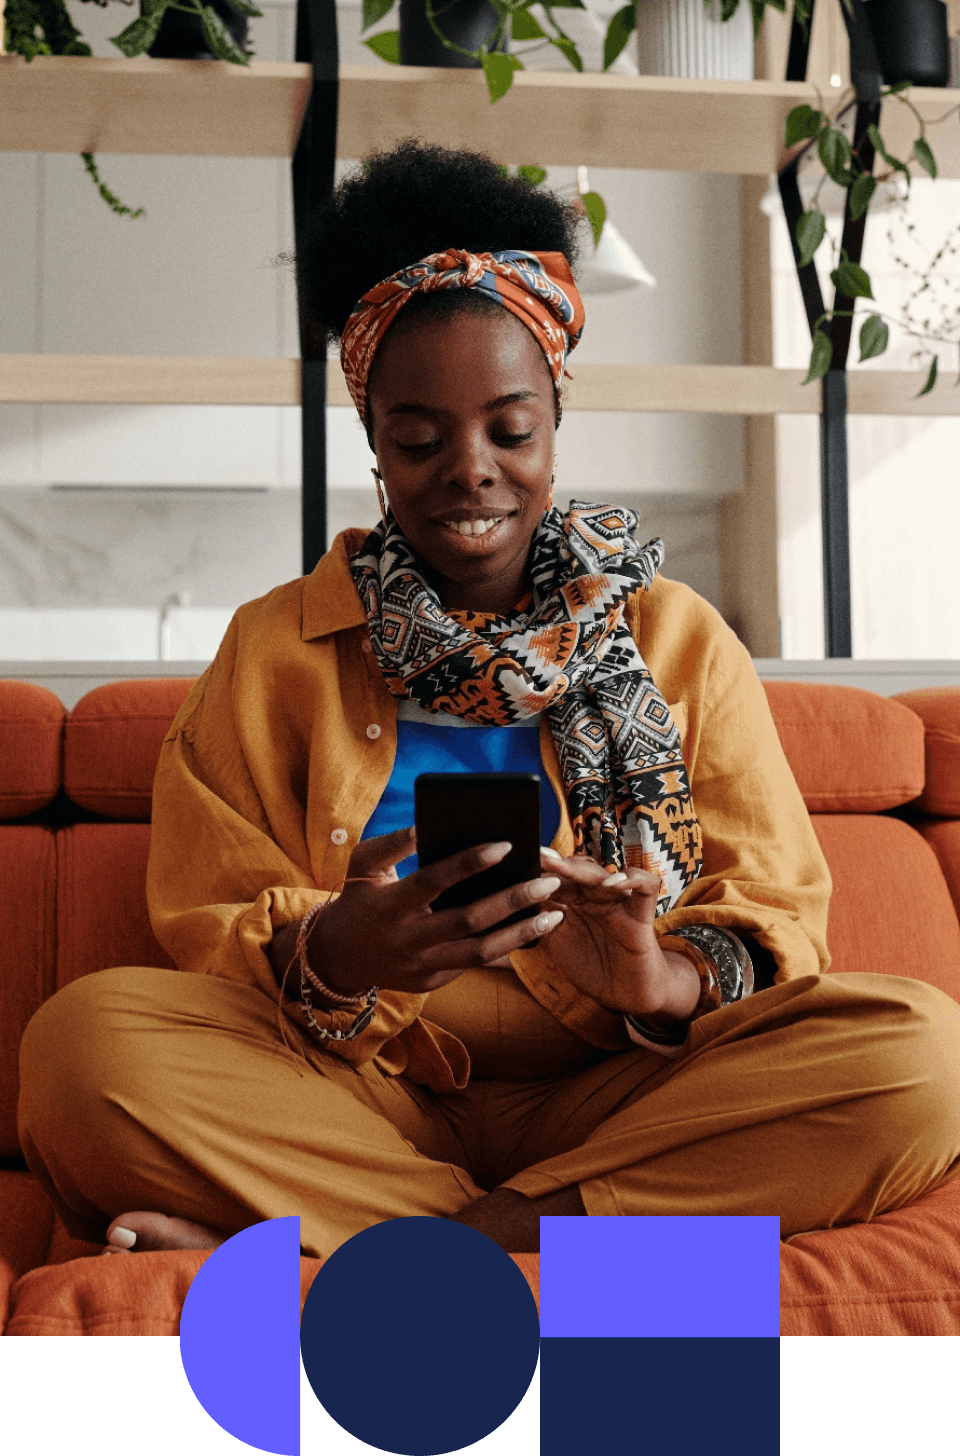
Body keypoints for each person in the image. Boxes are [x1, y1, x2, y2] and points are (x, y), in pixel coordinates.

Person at [18, 141, 960, 1261]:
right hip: (362, 1089)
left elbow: (776, 917)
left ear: (554, 423)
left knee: (922, 1057)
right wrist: (340, 953)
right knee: (83, 1050)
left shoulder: (678, 638)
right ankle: (557, 1251)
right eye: (420, 439)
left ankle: (405, 1241)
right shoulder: (275, 649)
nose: (471, 468)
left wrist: (657, 974)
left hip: (624, 1098)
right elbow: (210, 928)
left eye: (510, 431)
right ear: (375, 441)